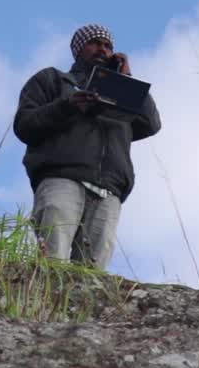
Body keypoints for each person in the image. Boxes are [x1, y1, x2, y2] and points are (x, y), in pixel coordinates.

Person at [13, 23, 162, 269]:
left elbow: (151, 123)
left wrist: (127, 80)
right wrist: (68, 106)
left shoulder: (122, 93)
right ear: (78, 49)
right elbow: (24, 124)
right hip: (62, 178)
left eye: (107, 45)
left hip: (109, 189)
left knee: (94, 275)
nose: (102, 49)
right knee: (53, 262)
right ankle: (43, 307)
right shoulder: (52, 79)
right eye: (94, 43)